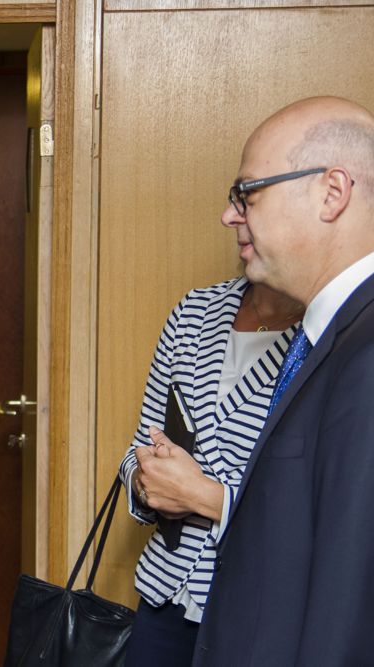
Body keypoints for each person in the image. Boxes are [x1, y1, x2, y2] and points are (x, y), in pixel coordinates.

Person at [192, 97, 374, 665]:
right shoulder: (331, 334)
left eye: (248, 194)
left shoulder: (366, 355)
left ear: (331, 193)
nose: (230, 216)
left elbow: (347, 606)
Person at [119, 266, 302, 664]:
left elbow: (322, 508)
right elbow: (138, 449)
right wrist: (146, 485)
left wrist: (204, 497)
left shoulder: (326, 331)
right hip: (163, 595)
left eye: (248, 202)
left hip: (257, 606)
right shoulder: (194, 311)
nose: (238, 230)